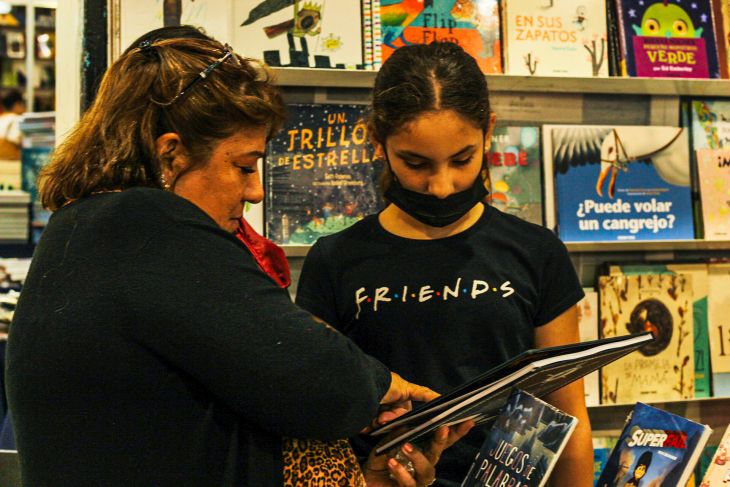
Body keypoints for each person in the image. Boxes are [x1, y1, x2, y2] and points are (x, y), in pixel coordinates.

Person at [5, 31, 469, 486]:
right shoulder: (147, 225)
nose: (255, 191)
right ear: (171, 156)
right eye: (244, 166)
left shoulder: (83, 229)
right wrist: (385, 386)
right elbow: (319, 379)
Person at [296, 41, 594, 486]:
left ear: (488, 131)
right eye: (416, 163)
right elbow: (321, 419)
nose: (441, 187)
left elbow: (567, 418)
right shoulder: (334, 260)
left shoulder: (537, 252)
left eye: (462, 159)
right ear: (377, 140)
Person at [0, 90, 25, 160]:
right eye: (22, 104)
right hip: (11, 161)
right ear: (17, 104)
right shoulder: (18, 119)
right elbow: (17, 140)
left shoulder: (1, 118)